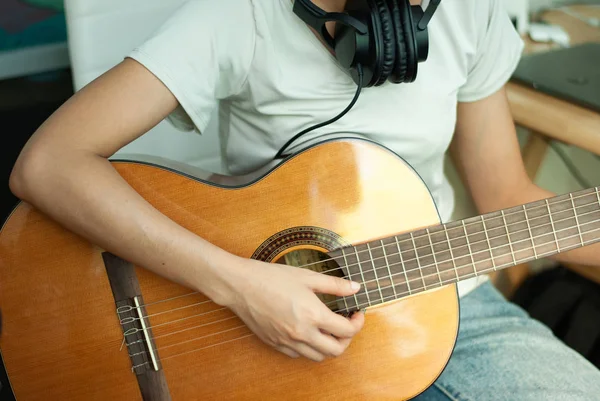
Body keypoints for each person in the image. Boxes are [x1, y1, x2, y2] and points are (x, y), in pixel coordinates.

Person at [8, 0, 600, 399]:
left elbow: (506, 195)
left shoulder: (472, 12)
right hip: (240, 321)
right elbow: (48, 163)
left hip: (447, 299)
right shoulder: (240, 16)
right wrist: (239, 286)